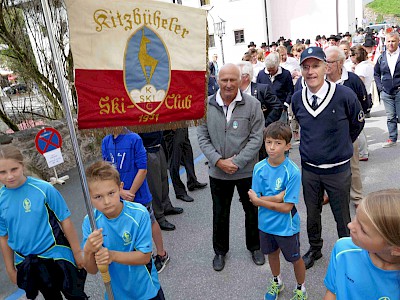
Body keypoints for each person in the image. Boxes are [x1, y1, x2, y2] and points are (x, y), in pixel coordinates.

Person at [291, 47, 364, 269]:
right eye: (306, 67)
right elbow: (302, 126)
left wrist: (340, 146)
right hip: (311, 169)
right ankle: (315, 248)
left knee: (342, 216)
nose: (311, 71)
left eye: (315, 66)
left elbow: (357, 124)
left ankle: (347, 252)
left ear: (326, 67)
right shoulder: (297, 98)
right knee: (312, 214)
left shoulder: (344, 95)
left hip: (338, 170)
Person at [197, 63, 265, 271]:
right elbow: (202, 136)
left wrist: (236, 162)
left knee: (252, 209)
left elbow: (257, 138)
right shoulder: (205, 105)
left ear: (241, 80)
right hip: (218, 172)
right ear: (217, 80)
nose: (228, 84)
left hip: (245, 171)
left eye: (232, 80)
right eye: (224, 80)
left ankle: (255, 247)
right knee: (220, 213)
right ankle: (219, 252)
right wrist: (218, 161)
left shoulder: (252, 105)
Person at [0, 145, 88, 300]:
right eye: (2, 172)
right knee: (50, 296)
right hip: (28, 261)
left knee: (76, 295)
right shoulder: (1, 200)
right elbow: (4, 236)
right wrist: (10, 268)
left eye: (14, 169)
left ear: (23, 165)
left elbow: (65, 220)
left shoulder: (44, 189)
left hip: (56, 254)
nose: (9, 176)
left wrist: (77, 252)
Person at [83, 161, 165, 300]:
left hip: (146, 291)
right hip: (116, 294)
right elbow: (92, 269)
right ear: (89, 196)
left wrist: (111, 255)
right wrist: (88, 250)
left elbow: (144, 257)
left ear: (120, 188)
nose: (107, 201)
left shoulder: (139, 214)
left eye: (111, 193)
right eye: (98, 197)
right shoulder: (90, 222)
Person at [248, 122, 307, 300]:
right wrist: (275, 198)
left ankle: (301, 288)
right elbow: (254, 199)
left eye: (278, 143)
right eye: (269, 142)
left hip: (286, 226)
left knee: (295, 259)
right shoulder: (259, 168)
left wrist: (260, 200)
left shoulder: (293, 172)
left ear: (288, 146)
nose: (272, 147)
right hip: (265, 224)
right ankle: (277, 281)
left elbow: (287, 207)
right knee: (272, 255)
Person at [102, 130, 169, 273]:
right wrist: (120, 192)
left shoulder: (134, 139)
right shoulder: (106, 141)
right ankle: (141, 254)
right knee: (128, 225)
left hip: (138, 194)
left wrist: (131, 192)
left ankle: (162, 254)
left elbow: (142, 169)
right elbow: (106, 171)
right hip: (119, 194)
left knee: (150, 221)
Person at [323, 189, 400, 300]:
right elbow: (332, 292)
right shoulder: (343, 250)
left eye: (363, 230)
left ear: (396, 249)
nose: (350, 225)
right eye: (356, 217)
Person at [325, 46, 368, 207]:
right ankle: (330, 194)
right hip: (326, 134)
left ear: (340, 63)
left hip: (349, 133)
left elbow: (364, 104)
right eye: (325, 61)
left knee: (352, 167)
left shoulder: (352, 79)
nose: (326, 65)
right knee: (326, 167)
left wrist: (351, 132)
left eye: (329, 61)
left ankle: (356, 197)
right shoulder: (320, 81)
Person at [236, 61, 283, 159]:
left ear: (246, 77)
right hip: (241, 139)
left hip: (260, 138)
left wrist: (265, 124)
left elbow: (277, 106)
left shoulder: (262, 89)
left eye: (237, 75)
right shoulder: (234, 94)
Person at [138, 131, 184, 231]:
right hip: (148, 148)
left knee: (163, 178)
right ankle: (158, 216)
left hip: (158, 145)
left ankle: (166, 205)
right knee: (154, 185)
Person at [163, 128, 207, 202]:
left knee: (188, 153)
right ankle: (179, 191)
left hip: (182, 125)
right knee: (174, 161)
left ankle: (192, 181)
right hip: (172, 127)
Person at [374, 31, 400, 148]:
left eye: (393, 41)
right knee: (390, 117)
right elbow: (376, 73)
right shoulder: (381, 57)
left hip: (399, 90)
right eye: (388, 41)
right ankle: (392, 138)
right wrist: (380, 88)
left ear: (398, 42)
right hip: (387, 92)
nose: (391, 44)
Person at [350, 45, 374, 160]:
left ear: (356, 56)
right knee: (361, 126)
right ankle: (364, 151)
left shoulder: (361, 67)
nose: (350, 58)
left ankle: (363, 152)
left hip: (361, 97)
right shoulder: (367, 65)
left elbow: (359, 84)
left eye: (351, 55)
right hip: (366, 95)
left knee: (359, 127)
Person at [257, 52, 294, 124]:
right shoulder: (261, 75)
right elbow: (258, 90)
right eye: (268, 70)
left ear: (277, 65)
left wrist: (285, 105)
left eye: (272, 70)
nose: (270, 72)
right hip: (266, 112)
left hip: (281, 110)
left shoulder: (286, 74)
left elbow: (290, 91)